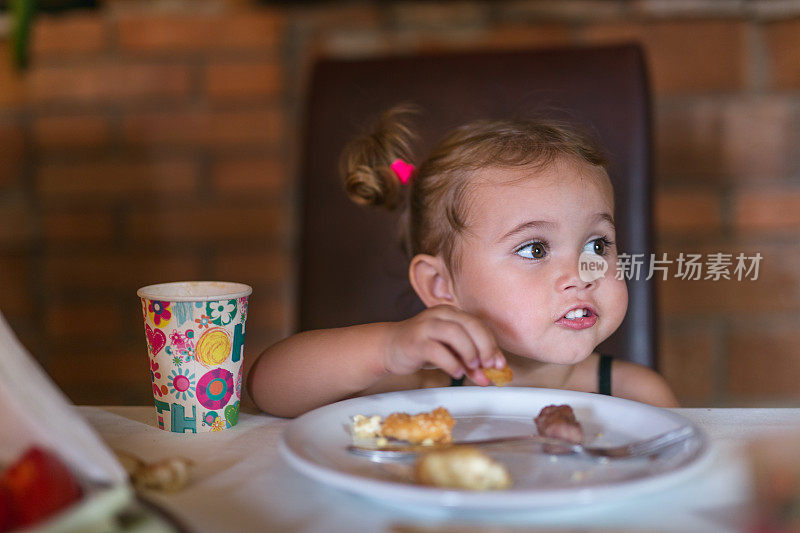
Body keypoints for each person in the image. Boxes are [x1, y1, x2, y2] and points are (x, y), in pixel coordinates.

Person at [248, 105, 678, 418]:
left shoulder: (634, 395)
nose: (581, 276)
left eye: (597, 246)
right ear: (440, 287)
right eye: (535, 249)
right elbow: (266, 388)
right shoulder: (430, 383)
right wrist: (388, 348)